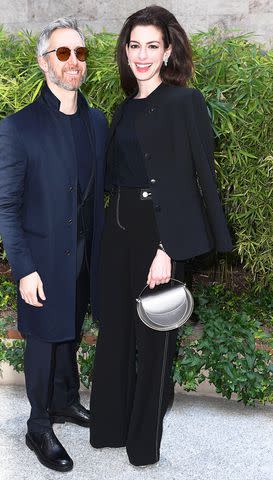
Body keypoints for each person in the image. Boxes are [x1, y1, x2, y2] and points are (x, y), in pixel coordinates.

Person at [89, 5, 233, 467]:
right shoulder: (124, 107)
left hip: (160, 234)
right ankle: (108, 429)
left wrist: (168, 249)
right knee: (113, 333)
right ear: (125, 51)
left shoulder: (184, 102)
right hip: (118, 229)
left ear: (168, 50)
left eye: (153, 46)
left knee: (154, 340)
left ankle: (142, 445)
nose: (143, 55)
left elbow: (193, 179)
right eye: (135, 46)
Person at [0, 17, 107, 473]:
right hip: (41, 260)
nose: (74, 62)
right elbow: (6, 205)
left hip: (85, 256)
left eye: (80, 53)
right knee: (42, 341)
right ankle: (38, 424)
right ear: (46, 63)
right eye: (63, 53)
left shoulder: (97, 121)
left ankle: (64, 402)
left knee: (70, 332)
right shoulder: (20, 127)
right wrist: (23, 267)